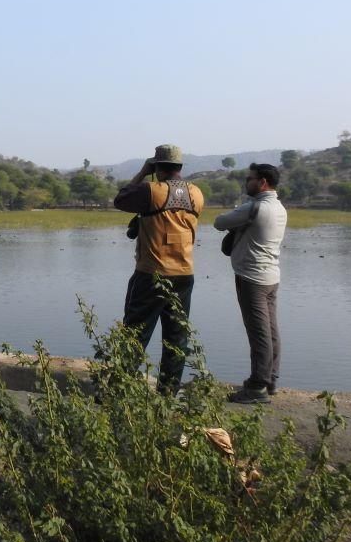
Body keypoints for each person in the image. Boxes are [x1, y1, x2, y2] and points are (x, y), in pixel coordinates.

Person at [113, 144, 204, 393]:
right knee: (176, 338)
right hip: (184, 275)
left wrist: (143, 171)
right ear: (180, 167)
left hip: (152, 273)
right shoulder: (196, 193)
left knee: (135, 332)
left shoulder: (151, 191)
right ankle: (167, 393)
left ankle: (118, 389)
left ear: (157, 166)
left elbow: (120, 199)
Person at [214, 163, 288, 404]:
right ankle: (270, 379)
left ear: (263, 182)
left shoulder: (256, 207)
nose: (247, 181)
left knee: (258, 333)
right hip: (271, 276)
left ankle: (257, 388)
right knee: (270, 330)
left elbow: (219, 221)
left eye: (251, 178)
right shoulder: (279, 207)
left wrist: (239, 218)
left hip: (252, 278)